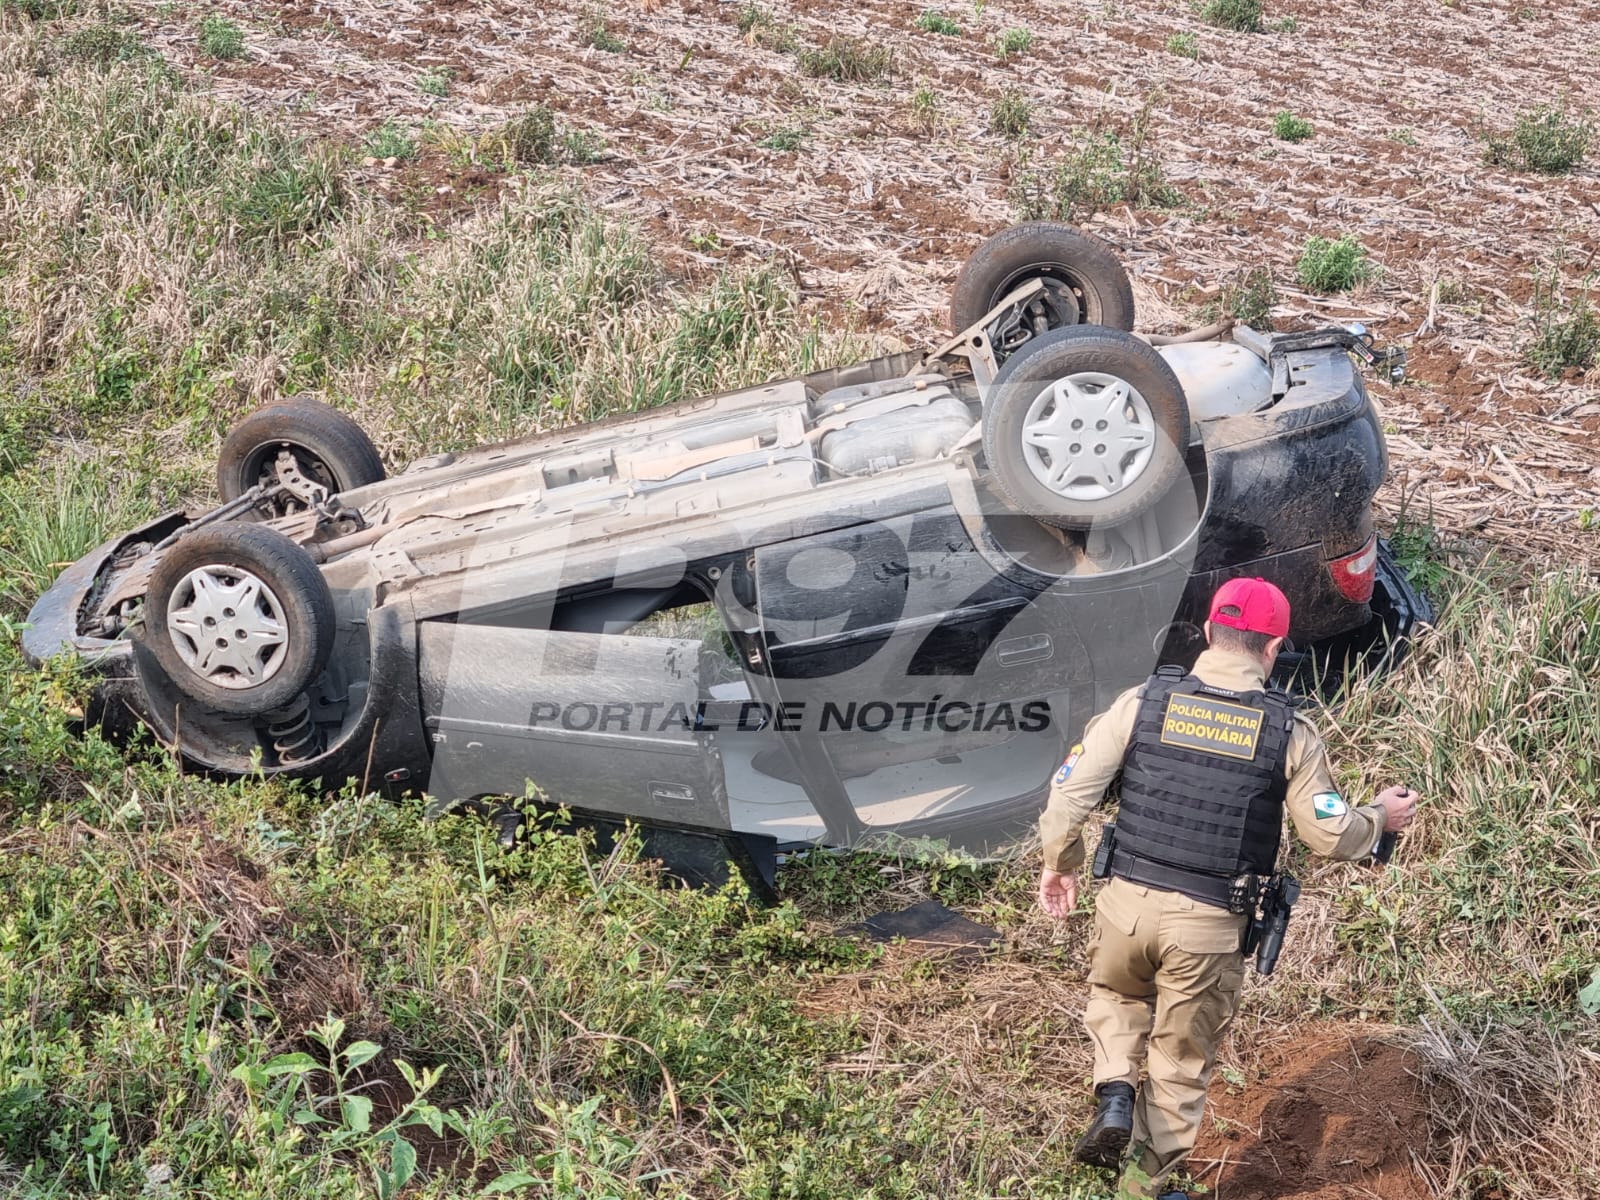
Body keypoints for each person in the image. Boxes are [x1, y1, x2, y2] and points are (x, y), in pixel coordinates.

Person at [1036, 576, 1420, 1200]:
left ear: (1210, 632)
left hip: (1125, 905)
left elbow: (1068, 795)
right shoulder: (1288, 733)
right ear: (1273, 649)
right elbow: (1331, 835)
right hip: (1208, 927)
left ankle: (1113, 1089)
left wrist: (1062, 863)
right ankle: (1144, 1188)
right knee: (1180, 1064)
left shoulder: (1142, 703)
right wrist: (1380, 817)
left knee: (1115, 994)